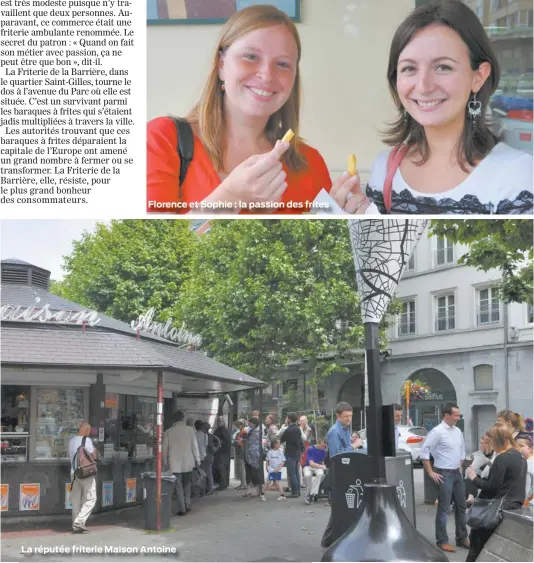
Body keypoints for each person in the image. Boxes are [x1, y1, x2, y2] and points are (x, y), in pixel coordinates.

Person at [332, 0, 533, 216]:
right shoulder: (385, 167)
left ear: (479, 76)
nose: (423, 86)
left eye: (443, 67)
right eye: (409, 68)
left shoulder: (516, 173)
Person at [147, 4, 333, 215]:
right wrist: (230, 197)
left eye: (282, 64)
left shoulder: (310, 163)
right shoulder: (163, 140)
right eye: (251, 57)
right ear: (221, 65)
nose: (267, 74)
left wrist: (345, 217)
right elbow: (151, 247)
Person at [465, 423, 527, 561]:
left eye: (492, 441)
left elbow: (492, 487)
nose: (492, 445)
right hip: (513, 506)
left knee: (476, 546)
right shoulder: (520, 456)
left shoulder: (502, 458)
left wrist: (473, 477)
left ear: (500, 440)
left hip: (496, 509)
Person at [419, 403, 469, 554]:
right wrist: (430, 472)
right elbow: (424, 451)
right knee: (443, 508)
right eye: (456, 415)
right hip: (443, 473)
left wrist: (459, 466)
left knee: (461, 506)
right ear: (446, 415)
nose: (458, 418)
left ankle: (462, 538)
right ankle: (442, 541)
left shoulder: (458, 431)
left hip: (456, 473)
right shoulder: (437, 432)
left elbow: (462, 451)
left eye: (459, 415)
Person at [321, 402, 355, 549]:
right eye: (346, 416)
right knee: (339, 506)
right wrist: (353, 446)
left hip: (345, 471)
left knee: (340, 507)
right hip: (338, 472)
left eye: (350, 416)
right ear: (338, 416)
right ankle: (328, 539)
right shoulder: (335, 431)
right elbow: (338, 455)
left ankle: (329, 539)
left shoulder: (346, 429)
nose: (349, 419)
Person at [163, 410, 200, 516]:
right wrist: (197, 460)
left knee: (178, 485)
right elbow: (194, 446)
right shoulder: (190, 430)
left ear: (174, 419)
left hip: (174, 463)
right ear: (183, 418)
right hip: (188, 462)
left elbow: (164, 449)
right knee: (187, 484)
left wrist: (165, 462)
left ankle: (182, 508)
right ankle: (188, 504)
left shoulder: (169, 431)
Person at [68, 422, 99, 533]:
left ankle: (75, 525)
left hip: (74, 473)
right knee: (91, 498)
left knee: (76, 499)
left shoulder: (71, 441)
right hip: (86, 474)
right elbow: (93, 456)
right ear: (86, 431)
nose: (89, 433)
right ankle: (79, 521)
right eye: (89, 431)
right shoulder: (87, 440)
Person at [464, 435, 494, 506]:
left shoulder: (493, 454)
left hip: (487, 477)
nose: (481, 445)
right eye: (480, 443)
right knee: (470, 475)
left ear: (488, 444)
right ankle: (470, 496)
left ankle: (471, 496)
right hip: (479, 475)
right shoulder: (479, 454)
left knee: (473, 475)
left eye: (483, 443)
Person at [280, 413, 304, 498]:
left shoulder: (288, 430)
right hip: (297, 453)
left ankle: (294, 492)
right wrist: (302, 450)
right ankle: (298, 491)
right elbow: (301, 441)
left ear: (289, 419)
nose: (286, 420)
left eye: (287, 418)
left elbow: (282, 439)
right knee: (296, 472)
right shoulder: (297, 429)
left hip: (290, 453)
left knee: (291, 474)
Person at [244, 416, 265, 500]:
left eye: (250, 423)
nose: (249, 424)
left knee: (255, 471)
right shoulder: (250, 429)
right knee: (249, 471)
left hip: (255, 453)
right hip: (249, 453)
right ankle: (251, 488)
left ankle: (258, 489)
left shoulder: (257, 431)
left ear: (254, 424)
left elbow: (244, 437)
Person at [303, 438, 327, 505]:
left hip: (318, 466)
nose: (323, 447)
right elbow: (311, 463)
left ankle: (311, 495)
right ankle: (308, 494)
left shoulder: (323, 451)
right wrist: (322, 466)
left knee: (321, 474)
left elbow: (322, 462)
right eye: (322, 446)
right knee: (307, 475)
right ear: (318, 444)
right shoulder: (311, 449)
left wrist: (323, 466)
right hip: (308, 466)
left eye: (324, 446)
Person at [213, 416, 232, 491]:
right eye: (218, 421)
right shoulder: (219, 429)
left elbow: (226, 440)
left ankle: (223, 484)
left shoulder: (223, 430)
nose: (218, 423)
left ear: (223, 422)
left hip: (223, 452)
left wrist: (219, 444)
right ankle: (222, 483)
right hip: (220, 452)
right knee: (220, 468)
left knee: (222, 468)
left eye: (220, 421)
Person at [515, 432, 534, 505]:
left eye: (521, 446)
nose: (518, 449)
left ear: (531, 448)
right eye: (516, 446)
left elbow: (524, 492)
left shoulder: (527, 465)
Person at [202, 422, 219, 495]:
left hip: (208, 456)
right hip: (209, 455)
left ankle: (210, 488)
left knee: (208, 472)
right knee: (208, 472)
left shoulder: (208, 436)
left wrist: (216, 448)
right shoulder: (210, 435)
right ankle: (209, 488)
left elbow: (211, 447)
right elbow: (217, 440)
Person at [232, 419, 248, 490]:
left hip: (241, 451)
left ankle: (243, 484)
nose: (237, 426)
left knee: (242, 468)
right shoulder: (240, 432)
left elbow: (241, 442)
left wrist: (234, 441)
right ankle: (242, 483)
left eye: (238, 424)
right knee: (241, 468)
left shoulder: (243, 432)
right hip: (239, 451)